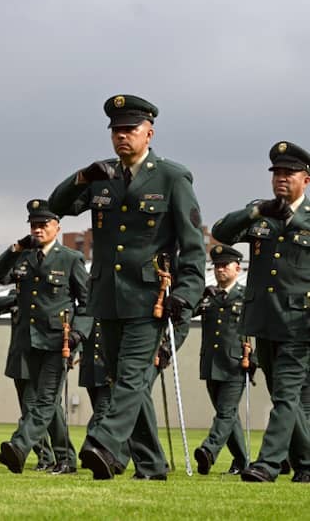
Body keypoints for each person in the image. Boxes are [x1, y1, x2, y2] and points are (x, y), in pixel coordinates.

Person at [48, 94, 204, 480]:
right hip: (107, 296)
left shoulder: (171, 177)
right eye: (116, 131)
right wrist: (83, 177)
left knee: (133, 377)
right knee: (124, 382)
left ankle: (103, 443)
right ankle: (150, 465)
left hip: (150, 298)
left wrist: (187, 292)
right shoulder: (105, 176)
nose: (122, 137)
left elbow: (193, 243)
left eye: (130, 130)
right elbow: (58, 205)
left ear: (148, 133)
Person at [212, 141, 310, 483]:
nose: (281, 178)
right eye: (277, 173)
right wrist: (258, 211)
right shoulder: (261, 212)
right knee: (285, 395)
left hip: (300, 322)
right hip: (262, 318)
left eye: (289, 173)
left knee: (285, 394)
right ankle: (307, 464)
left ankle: (268, 464)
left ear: (306, 179)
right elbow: (221, 233)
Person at [0, 199, 90, 475]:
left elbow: (87, 302)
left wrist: (79, 333)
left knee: (45, 400)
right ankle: (63, 458)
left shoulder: (70, 259)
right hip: (27, 341)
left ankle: (19, 446)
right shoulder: (24, 256)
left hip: (58, 342)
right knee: (43, 404)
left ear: (57, 227)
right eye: (33, 225)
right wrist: (16, 248)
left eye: (43, 225)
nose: (37, 229)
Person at [193, 244, 250, 476]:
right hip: (211, 364)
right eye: (216, 266)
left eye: (224, 266)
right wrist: (200, 296)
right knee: (229, 415)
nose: (219, 270)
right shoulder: (208, 296)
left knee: (225, 413)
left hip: (236, 363)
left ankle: (209, 450)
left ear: (237, 268)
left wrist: (253, 357)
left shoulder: (245, 297)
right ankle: (242, 461)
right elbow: (187, 312)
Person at [0, 290, 59, 470]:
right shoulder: (16, 296)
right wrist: (18, 298)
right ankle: (50, 456)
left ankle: (46, 457)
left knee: (32, 411)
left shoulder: (45, 299)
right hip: (18, 363)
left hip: (36, 361)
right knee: (30, 410)